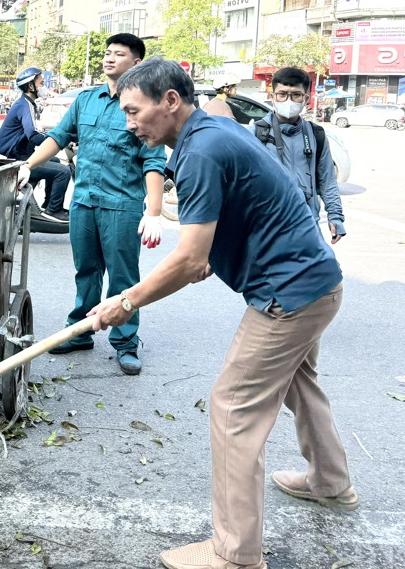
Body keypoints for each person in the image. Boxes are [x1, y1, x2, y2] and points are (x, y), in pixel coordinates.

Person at [83, 58, 354, 569]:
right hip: (316, 283)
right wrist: (209, 256)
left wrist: (126, 302)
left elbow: (187, 260)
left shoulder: (201, 149)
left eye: (134, 110)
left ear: (169, 101)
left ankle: (235, 555)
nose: (129, 122)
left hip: (288, 296)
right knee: (300, 384)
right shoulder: (210, 133)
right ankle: (330, 482)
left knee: (232, 407)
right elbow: (212, 239)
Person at [18, 35, 165, 374]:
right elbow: (58, 138)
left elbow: (153, 162)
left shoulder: (143, 106)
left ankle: (126, 341)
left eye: (120, 54)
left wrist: (153, 211)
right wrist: (29, 165)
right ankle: (82, 330)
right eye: (108, 53)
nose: (110, 58)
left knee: (123, 277)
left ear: (137, 63)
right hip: (84, 201)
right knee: (86, 271)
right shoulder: (86, 100)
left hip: (122, 205)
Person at [252, 67, 345, 244]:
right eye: (282, 94)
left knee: (328, 271)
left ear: (306, 99)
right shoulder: (255, 134)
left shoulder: (316, 134)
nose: (289, 100)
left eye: (296, 95)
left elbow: (328, 180)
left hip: (308, 226)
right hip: (268, 230)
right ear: (273, 97)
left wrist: (335, 215)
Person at [0, 67, 71, 223]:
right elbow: (33, 135)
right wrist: (57, 142)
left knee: (55, 162)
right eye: (42, 83)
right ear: (31, 86)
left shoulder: (28, 104)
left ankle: (48, 204)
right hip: (14, 160)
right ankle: (54, 210)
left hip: (19, 155)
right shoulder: (25, 105)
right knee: (64, 171)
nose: (44, 87)